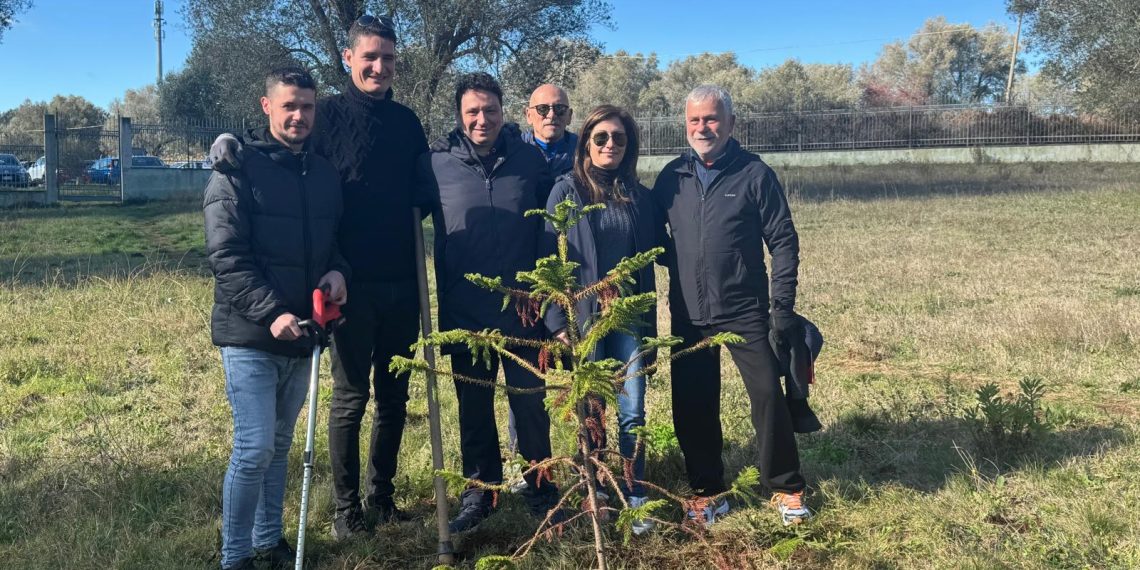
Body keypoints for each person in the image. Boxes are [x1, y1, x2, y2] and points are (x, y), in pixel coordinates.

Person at [210, 15, 428, 540]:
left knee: (395, 397)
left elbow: (432, 182)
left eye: (388, 58)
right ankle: (346, 509)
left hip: (402, 280)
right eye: (369, 57)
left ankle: (383, 496)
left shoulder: (407, 123)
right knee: (351, 396)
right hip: (345, 286)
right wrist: (226, 141)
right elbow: (278, 150)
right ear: (348, 59)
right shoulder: (323, 116)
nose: (379, 67)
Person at [204, 67, 349, 570]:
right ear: (267, 107)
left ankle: (269, 540)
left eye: (307, 107)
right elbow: (227, 257)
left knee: (281, 444)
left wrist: (338, 272)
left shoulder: (325, 173)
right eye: (289, 105)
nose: (298, 115)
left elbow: (336, 244)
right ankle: (235, 555)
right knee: (254, 446)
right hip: (251, 334)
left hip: (305, 334)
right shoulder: (237, 169)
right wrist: (272, 314)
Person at [652, 85, 813, 527]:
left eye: (711, 119)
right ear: (685, 127)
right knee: (693, 402)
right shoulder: (672, 177)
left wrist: (781, 307)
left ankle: (785, 487)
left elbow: (783, 241)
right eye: (694, 121)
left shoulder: (754, 174)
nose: (703, 128)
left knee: (767, 395)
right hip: (687, 311)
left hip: (746, 309)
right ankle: (708, 492)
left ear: (731, 124)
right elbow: (651, 234)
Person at [415, 72, 560, 534]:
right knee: (473, 409)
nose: (482, 119)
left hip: (524, 313)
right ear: (459, 116)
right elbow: (386, 202)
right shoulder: (434, 164)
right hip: (465, 312)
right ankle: (481, 491)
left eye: (490, 110)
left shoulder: (529, 161)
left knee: (530, 407)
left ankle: (540, 486)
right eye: (473, 112)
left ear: (504, 111)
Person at [541, 105, 659, 535]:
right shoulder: (565, 192)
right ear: (586, 142)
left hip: (630, 320)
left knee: (633, 409)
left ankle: (636, 493)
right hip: (584, 320)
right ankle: (597, 489)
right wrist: (557, 322)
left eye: (619, 139)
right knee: (592, 409)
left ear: (629, 147)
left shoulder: (640, 197)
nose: (610, 145)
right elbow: (548, 262)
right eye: (601, 137)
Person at [521, 83, 577, 176]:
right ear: (529, 115)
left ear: (569, 116)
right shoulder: (512, 153)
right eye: (542, 108)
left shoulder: (586, 152)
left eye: (560, 108)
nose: (551, 115)